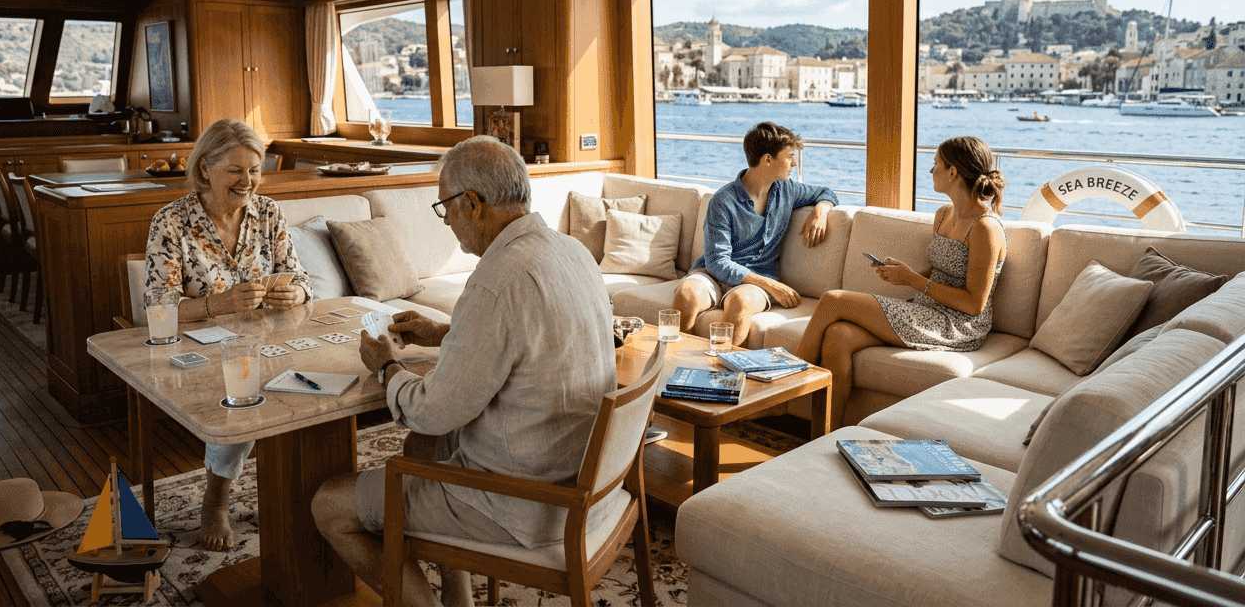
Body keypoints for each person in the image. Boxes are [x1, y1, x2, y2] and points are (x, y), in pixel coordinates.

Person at [311, 136, 618, 607]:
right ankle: (460, 598)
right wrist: (445, 333)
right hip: (587, 487)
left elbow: (431, 410)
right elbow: (530, 335)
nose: (448, 222)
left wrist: (386, 366)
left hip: (523, 505)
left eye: (445, 208)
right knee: (422, 450)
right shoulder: (571, 251)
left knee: (329, 505)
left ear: (472, 204)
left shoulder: (497, 281)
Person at [142, 117, 311, 551]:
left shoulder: (270, 213)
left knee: (318, 386)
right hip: (199, 350)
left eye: (254, 170)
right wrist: (220, 304)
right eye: (235, 170)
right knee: (245, 390)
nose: (248, 180)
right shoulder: (171, 222)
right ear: (205, 170)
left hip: (271, 340)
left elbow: (300, 277)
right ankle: (215, 500)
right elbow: (158, 309)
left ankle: (297, 490)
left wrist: (295, 294)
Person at [794, 135, 1007, 428]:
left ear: (953, 172)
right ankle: (825, 434)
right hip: (924, 308)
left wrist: (914, 281)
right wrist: (904, 274)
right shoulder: (944, 214)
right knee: (839, 336)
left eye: (936, 165)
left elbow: (973, 304)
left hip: (957, 325)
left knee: (834, 300)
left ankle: (783, 385)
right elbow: (940, 269)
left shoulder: (985, 228)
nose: (931, 171)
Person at [674, 121, 838, 347]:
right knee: (686, 293)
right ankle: (677, 367)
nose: (794, 163)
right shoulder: (723, 201)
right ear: (767, 160)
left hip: (754, 284)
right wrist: (772, 286)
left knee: (740, 301)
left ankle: (723, 377)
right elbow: (716, 262)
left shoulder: (787, 190)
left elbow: (826, 192)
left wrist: (821, 210)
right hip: (716, 275)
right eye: (789, 156)